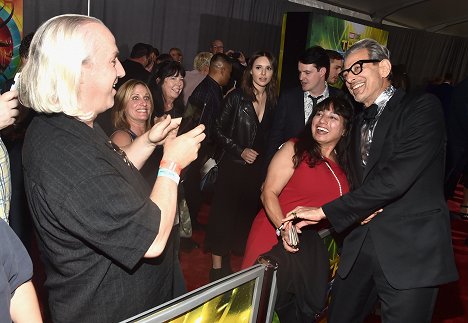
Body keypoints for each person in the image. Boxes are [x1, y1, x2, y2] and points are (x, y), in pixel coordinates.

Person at [18, 14, 205, 323]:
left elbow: (110, 175)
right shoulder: (65, 154)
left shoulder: (69, 125)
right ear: (77, 71)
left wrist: (148, 140)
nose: (121, 70)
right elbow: (153, 240)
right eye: (112, 60)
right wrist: (172, 163)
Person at [283, 38, 458, 322]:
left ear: (385, 67)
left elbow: (396, 178)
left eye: (358, 68)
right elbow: (350, 177)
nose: (350, 78)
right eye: (346, 72)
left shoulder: (423, 108)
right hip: (359, 245)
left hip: (409, 250)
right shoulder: (357, 123)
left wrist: (325, 212)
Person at [241, 97, 354, 321]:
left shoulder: (342, 162)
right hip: (271, 235)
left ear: (345, 129)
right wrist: (284, 227)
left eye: (333, 117)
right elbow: (268, 191)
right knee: (254, 306)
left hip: (306, 248)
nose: (322, 120)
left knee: (285, 310)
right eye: (320, 113)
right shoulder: (295, 148)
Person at [205, 51, 278, 282]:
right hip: (233, 168)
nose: (263, 73)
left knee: (242, 219)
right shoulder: (237, 97)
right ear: (250, 71)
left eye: (268, 68)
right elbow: (216, 130)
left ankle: (228, 259)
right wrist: (239, 150)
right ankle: (216, 269)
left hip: (255, 172)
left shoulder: (274, 99)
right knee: (222, 217)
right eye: (258, 68)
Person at [266, 46, 343, 164]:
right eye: (300, 72)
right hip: (291, 168)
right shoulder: (289, 98)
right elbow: (275, 138)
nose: (301, 77)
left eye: (307, 72)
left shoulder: (340, 98)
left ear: (322, 72)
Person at [183, 53, 232, 227]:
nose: (229, 77)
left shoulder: (210, 88)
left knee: (194, 190)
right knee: (192, 191)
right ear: (222, 69)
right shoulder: (208, 90)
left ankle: (191, 225)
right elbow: (200, 122)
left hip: (197, 147)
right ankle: (188, 230)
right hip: (198, 149)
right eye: (229, 72)